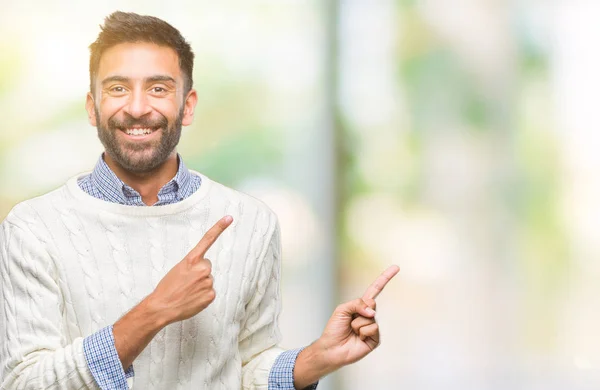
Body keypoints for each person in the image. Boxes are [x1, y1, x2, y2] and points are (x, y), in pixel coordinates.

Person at [0, 11, 399, 390]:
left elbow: (245, 368)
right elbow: (23, 382)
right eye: (117, 88)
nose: (137, 108)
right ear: (93, 107)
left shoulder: (250, 221)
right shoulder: (33, 228)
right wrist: (155, 310)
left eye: (158, 88)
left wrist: (315, 359)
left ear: (187, 106)